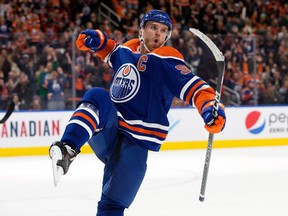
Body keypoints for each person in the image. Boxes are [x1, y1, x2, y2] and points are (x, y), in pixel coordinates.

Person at [49, 9, 226, 216]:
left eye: (163, 30)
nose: (158, 34)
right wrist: (97, 41)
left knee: (111, 207)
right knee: (97, 96)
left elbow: (195, 88)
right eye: (153, 28)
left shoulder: (167, 59)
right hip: (111, 130)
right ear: (141, 30)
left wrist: (210, 109)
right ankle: (67, 150)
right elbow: (111, 50)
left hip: (136, 145)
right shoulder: (126, 50)